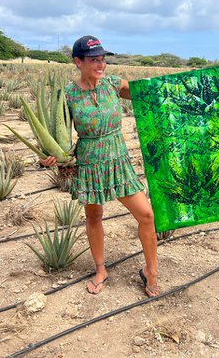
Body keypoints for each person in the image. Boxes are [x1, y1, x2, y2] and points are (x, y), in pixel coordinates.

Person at [40, 35, 159, 297]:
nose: (101, 64)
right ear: (78, 62)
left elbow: (151, 95)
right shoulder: (68, 95)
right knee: (94, 216)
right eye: (94, 59)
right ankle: (101, 269)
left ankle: (151, 271)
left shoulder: (113, 85)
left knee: (147, 215)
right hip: (89, 164)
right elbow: (55, 138)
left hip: (118, 161)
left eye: (103, 59)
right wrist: (48, 159)